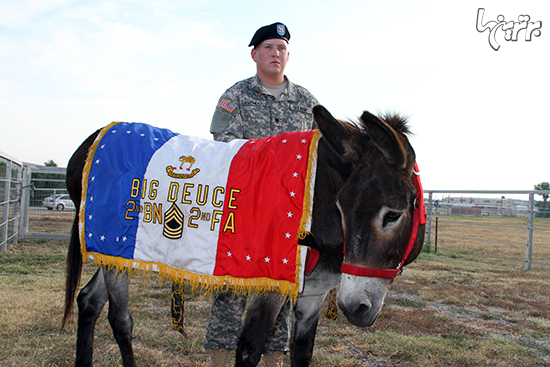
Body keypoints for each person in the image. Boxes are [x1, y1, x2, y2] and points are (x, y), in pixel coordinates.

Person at [205, 22, 319, 367]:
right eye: (269, 47)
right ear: (255, 54)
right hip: (246, 207)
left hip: (288, 212)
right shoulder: (236, 96)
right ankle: (221, 359)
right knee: (231, 283)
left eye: (281, 48)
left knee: (280, 286)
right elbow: (223, 144)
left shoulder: (306, 101)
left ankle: (273, 360)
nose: (276, 54)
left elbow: (320, 148)